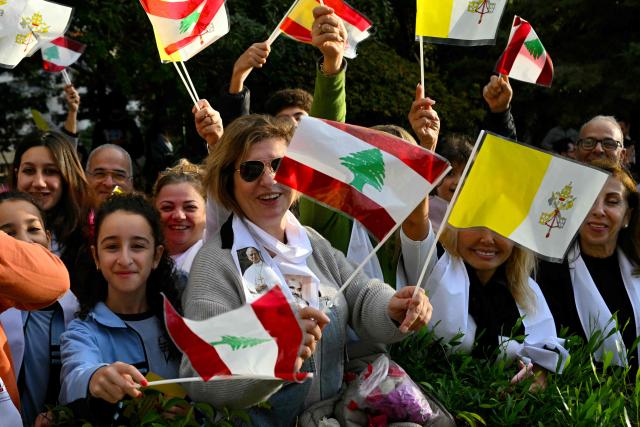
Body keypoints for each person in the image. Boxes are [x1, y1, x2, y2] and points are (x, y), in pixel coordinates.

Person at [181, 115, 432, 425]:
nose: (269, 179)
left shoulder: (312, 242)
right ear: (227, 183)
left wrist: (394, 307)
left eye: (280, 165)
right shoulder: (215, 262)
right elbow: (199, 373)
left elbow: (361, 294)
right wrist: (275, 353)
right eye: (251, 170)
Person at [59, 194, 181, 421]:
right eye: (112, 246)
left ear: (157, 255)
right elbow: (74, 375)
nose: (124, 259)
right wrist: (96, 377)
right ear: (96, 256)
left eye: (137, 246)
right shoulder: (83, 331)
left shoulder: (181, 322)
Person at [425, 223, 568, 387]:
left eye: (500, 227)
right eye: (476, 225)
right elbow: (415, 223)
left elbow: (544, 358)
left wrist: (534, 379)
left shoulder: (527, 291)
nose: (487, 239)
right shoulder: (435, 266)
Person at [537, 159, 640, 368]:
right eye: (588, 199)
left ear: (627, 216)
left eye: (611, 201)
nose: (598, 210)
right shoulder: (546, 274)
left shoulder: (637, 269)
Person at [0, 192, 78, 426]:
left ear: (49, 237)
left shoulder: (75, 307)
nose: (24, 241)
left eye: (33, 229)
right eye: (9, 236)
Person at [11, 131, 92, 289]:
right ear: (17, 175)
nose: (39, 182)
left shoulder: (89, 237)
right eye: (29, 171)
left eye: (50, 171)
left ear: (67, 178)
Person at [152, 159, 205, 276]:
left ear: (207, 211)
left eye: (190, 207)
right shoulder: (141, 257)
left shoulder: (220, 257)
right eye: (167, 207)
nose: (179, 216)